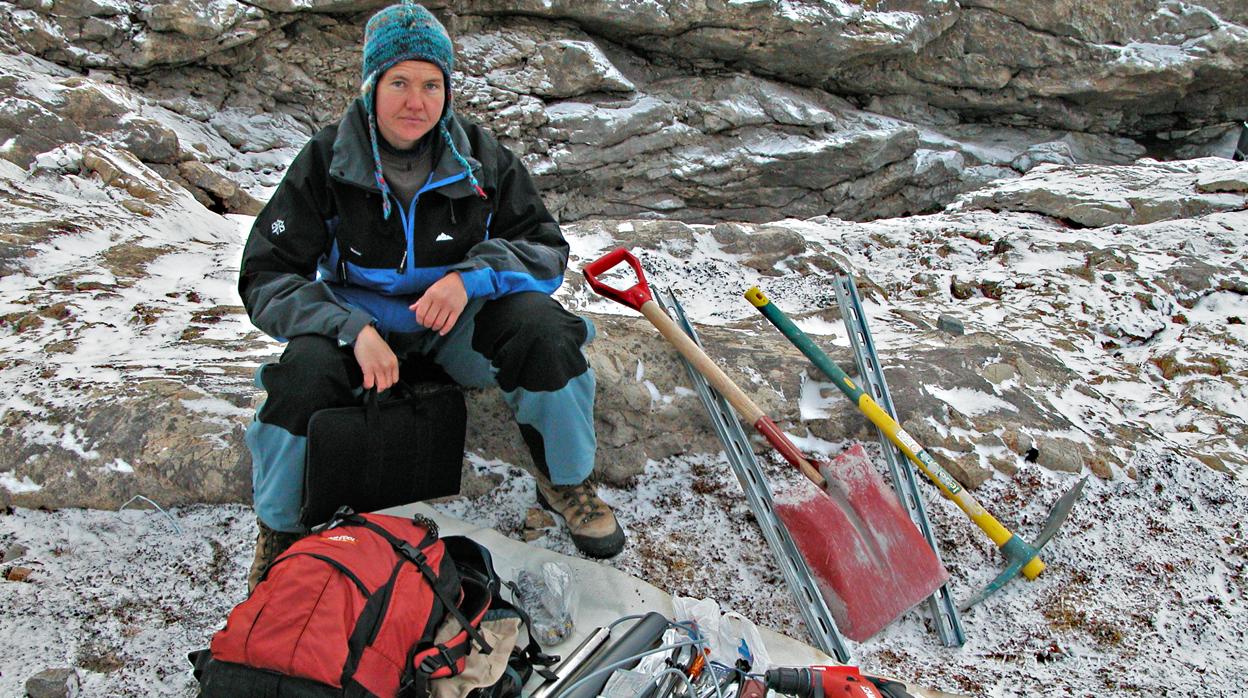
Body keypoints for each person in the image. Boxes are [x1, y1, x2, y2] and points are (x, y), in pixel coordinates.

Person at [238, 1, 624, 591]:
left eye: (430, 84)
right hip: (360, 335)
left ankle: (564, 479)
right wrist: (350, 329)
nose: (415, 101)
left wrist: (470, 278)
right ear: (371, 86)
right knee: (301, 374)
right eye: (399, 82)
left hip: (455, 329)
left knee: (546, 330)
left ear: (447, 90)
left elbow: (542, 247)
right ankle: (282, 528)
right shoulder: (326, 161)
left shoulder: (478, 155)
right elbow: (268, 275)